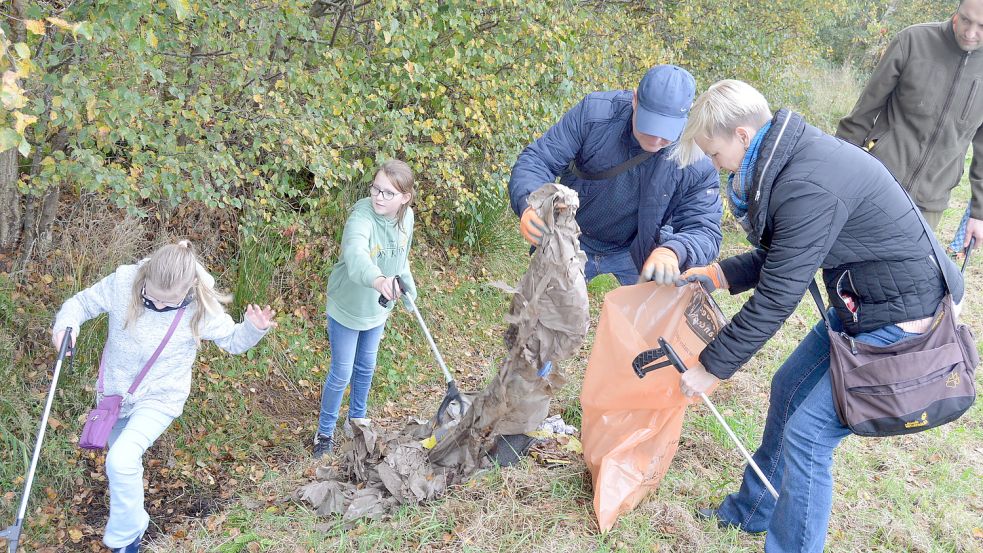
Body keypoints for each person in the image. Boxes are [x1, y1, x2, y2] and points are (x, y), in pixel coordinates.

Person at [669, 80, 962, 552]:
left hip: (902, 321)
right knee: (789, 386)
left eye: (714, 152)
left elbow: (779, 294)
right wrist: (719, 274)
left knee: (809, 435)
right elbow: (791, 253)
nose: (714, 164)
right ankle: (752, 512)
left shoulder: (806, 182)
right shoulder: (794, 159)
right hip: (864, 307)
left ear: (743, 136)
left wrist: (712, 367)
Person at [52, 240, 275, 553]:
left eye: (165, 302)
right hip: (115, 397)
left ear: (188, 290)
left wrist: (253, 329)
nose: (155, 305)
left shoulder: (201, 306)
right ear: (145, 277)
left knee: (121, 460)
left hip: (160, 397)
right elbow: (80, 305)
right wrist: (66, 327)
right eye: (150, 298)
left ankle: (123, 544)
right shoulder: (124, 282)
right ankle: (135, 525)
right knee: (123, 469)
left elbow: (234, 341)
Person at [507, 64, 723, 286]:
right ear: (635, 99)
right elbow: (539, 159)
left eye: (666, 133)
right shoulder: (595, 114)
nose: (657, 139)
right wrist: (529, 204)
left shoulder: (696, 161)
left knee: (650, 319)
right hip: (573, 236)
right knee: (544, 311)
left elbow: (704, 228)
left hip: (639, 250)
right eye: (650, 127)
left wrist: (673, 251)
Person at [836, 0, 983, 249]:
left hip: (929, 205)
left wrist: (978, 212)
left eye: (982, 26)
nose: (970, 33)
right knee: (846, 269)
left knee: (899, 284)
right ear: (956, 11)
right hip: (877, 183)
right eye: (966, 19)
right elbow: (863, 113)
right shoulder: (912, 41)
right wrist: (835, 170)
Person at [315, 159, 417, 458]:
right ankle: (324, 433)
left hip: (377, 309)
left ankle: (357, 421)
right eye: (376, 189)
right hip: (348, 306)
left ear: (405, 198)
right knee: (341, 373)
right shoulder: (361, 218)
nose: (378, 197)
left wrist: (408, 288)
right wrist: (378, 279)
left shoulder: (406, 218)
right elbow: (356, 254)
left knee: (366, 366)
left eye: (388, 193)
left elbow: (402, 258)